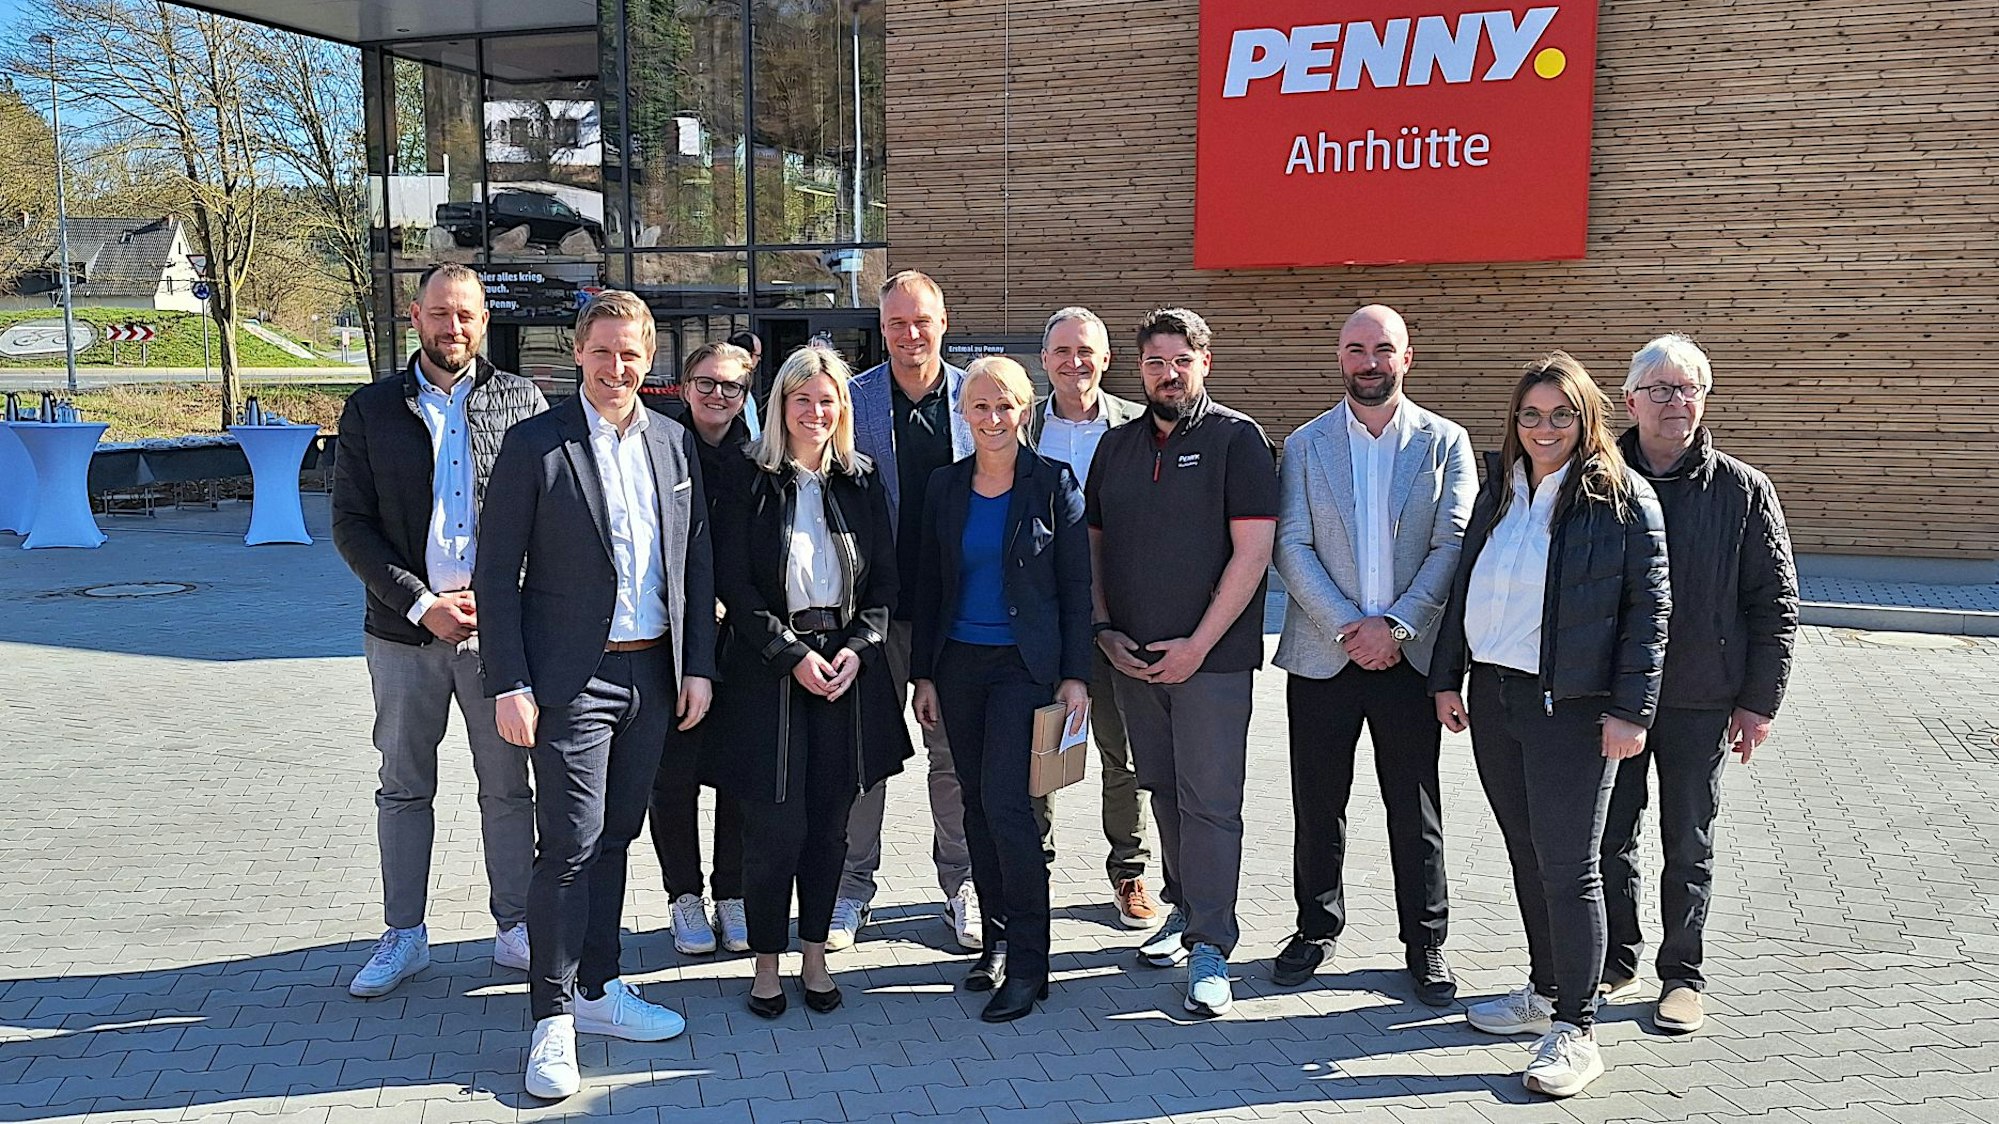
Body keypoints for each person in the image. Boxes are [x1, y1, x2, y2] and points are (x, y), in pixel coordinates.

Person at [473, 290, 717, 1101]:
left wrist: (698, 667)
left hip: (652, 673)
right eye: (604, 351)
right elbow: (494, 577)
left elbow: (695, 566)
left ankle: (599, 989)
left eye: (633, 353)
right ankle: (549, 1019)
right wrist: (508, 681)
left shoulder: (674, 445)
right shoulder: (535, 444)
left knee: (615, 837)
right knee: (569, 847)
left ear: (652, 360)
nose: (618, 367)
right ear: (577, 352)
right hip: (570, 681)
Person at [1429, 351, 1670, 1098]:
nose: (1544, 428)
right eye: (1530, 415)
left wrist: (1631, 711)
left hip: (1571, 706)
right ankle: (1542, 992)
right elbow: (1463, 583)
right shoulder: (1499, 490)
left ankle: (1577, 1027)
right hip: (1496, 696)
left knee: (1571, 868)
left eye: (1560, 415)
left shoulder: (1621, 498)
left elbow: (1649, 615)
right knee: (1526, 852)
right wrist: (1446, 676)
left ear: (1586, 418)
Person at [331, 262, 546, 999]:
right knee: (402, 785)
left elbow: (546, 520)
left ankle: (516, 927)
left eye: (467, 316)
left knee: (508, 790)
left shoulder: (521, 401)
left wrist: (502, 599)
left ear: (484, 322)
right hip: (402, 632)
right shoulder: (369, 410)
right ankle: (404, 934)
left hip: (498, 636)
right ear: (414, 316)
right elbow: (351, 525)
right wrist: (422, 604)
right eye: (439, 314)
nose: (453, 328)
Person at [1272, 305, 1476, 1005]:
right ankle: (1314, 926)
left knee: (1412, 806)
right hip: (1324, 656)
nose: (1368, 362)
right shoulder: (1303, 445)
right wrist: (1347, 628)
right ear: (1339, 358)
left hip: (1408, 659)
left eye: (1382, 349)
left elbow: (1453, 546)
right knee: (1317, 803)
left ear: (1406, 358)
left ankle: (1425, 945)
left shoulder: (1445, 442)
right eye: (1356, 349)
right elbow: (1290, 547)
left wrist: (1395, 626)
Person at [703, 343, 911, 1018]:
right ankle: (765, 964)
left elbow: (883, 582)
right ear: (781, 405)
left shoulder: (861, 476)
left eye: (827, 401)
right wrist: (790, 654)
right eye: (802, 399)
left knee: (829, 830)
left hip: (846, 675)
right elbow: (732, 581)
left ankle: (814, 955)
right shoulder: (746, 475)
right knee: (773, 831)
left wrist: (860, 647)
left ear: (841, 409)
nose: (815, 412)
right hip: (770, 675)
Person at [1599, 334, 1798, 1034]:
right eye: (1658, 389)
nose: (1673, 401)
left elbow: (1773, 603)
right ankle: (1612, 958)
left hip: (1698, 697)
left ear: (1703, 399)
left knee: (1688, 841)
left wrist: (1756, 702)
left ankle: (1680, 974)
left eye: (1686, 388)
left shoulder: (1742, 490)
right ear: (1628, 401)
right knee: (1606, 838)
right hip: (1612, 698)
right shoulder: (1596, 479)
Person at [1087, 307, 1278, 1017]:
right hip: (1132, 660)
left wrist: (1198, 644)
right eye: (1154, 363)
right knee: (1161, 791)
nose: (1168, 375)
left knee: (1209, 802)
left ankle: (1211, 944)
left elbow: (1253, 553)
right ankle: (1181, 908)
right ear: (1138, 370)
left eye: (1181, 361)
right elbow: (1094, 546)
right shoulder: (1117, 447)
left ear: (1205, 362)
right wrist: (1105, 630)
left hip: (1213, 662)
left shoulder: (1237, 441)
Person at [909, 357, 1092, 1022]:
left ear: (1025, 411)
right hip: (958, 664)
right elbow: (927, 581)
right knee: (975, 811)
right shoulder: (943, 487)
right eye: (980, 407)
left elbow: (1076, 586)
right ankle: (994, 941)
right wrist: (924, 672)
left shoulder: (1052, 483)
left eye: (1004, 407)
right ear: (964, 412)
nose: (992, 419)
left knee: (1008, 806)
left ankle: (1032, 965)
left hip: (1023, 667)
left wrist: (1075, 676)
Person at [837, 270, 980, 952]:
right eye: (896, 323)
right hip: (874, 613)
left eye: (920, 320)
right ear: (881, 329)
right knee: (864, 753)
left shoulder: (977, 400)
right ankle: (849, 889)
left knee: (953, 757)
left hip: (957, 614)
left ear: (943, 322)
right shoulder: (852, 400)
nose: (909, 334)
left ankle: (961, 885)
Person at [1025, 307, 1159, 930]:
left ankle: (1129, 873)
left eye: (1086, 351)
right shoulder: (1019, 427)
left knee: (1122, 755)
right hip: (1041, 621)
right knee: (1040, 751)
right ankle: (1033, 871)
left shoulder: (1138, 426)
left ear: (1107, 360)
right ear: (1044, 359)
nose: (1073, 362)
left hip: (1118, 617)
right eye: (1061, 351)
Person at [647, 342, 757, 955]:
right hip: (670, 635)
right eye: (707, 383)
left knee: (738, 773)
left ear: (747, 395)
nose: (718, 396)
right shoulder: (659, 445)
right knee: (675, 775)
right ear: (685, 386)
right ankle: (682, 896)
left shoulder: (760, 458)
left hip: (741, 640)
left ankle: (732, 894)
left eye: (732, 387)